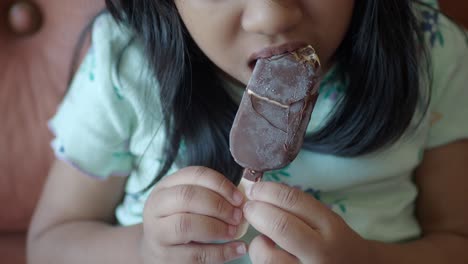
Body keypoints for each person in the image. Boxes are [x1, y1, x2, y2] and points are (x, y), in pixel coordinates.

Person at [27, 0, 468, 263]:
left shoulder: (429, 54)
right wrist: (143, 251)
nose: (271, 15)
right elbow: (49, 245)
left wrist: (370, 261)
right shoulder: (126, 67)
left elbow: (456, 241)